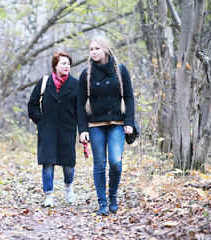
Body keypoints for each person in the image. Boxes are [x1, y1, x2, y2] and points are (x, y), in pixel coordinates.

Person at [77, 35, 135, 216]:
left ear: (106, 50)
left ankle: (113, 196)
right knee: (99, 163)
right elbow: (80, 104)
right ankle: (102, 203)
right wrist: (83, 130)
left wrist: (129, 122)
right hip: (95, 125)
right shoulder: (86, 74)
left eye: (97, 49)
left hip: (117, 123)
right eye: (91, 49)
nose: (93, 52)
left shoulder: (121, 70)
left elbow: (129, 97)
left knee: (116, 162)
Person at [28, 51, 79, 207]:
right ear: (55, 65)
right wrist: (40, 120)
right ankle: (48, 195)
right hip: (47, 130)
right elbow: (32, 104)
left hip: (68, 129)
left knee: (68, 165)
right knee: (47, 163)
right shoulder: (44, 82)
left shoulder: (75, 84)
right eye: (63, 63)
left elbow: (81, 108)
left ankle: (69, 188)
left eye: (68, 63)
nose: (67, 66)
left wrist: (81, 127)